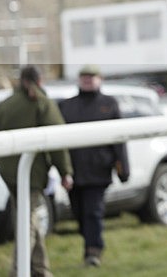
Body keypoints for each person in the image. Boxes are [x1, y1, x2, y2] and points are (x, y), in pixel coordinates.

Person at [0, 66, 74, 277]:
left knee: (28, 217)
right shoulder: (41, 103)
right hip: (31, 175)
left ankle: (41, 270)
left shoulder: (5, 104)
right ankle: (18, 271)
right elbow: (57, 139)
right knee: (28, 221)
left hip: (9, 174)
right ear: (39, 80)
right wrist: (65, 172)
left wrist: (2, 164)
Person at [58, 65, 129, 268]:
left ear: (100, 79)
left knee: (93, 212)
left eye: (91, 77)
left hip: (98, 171)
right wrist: (62, 170)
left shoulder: (109, 104)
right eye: (84, 77)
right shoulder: (67, 106)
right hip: (75, 171)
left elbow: (119, 138)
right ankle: (90, 245)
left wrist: (123, 168)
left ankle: (93, 252)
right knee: (79, 213)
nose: (87, 80)